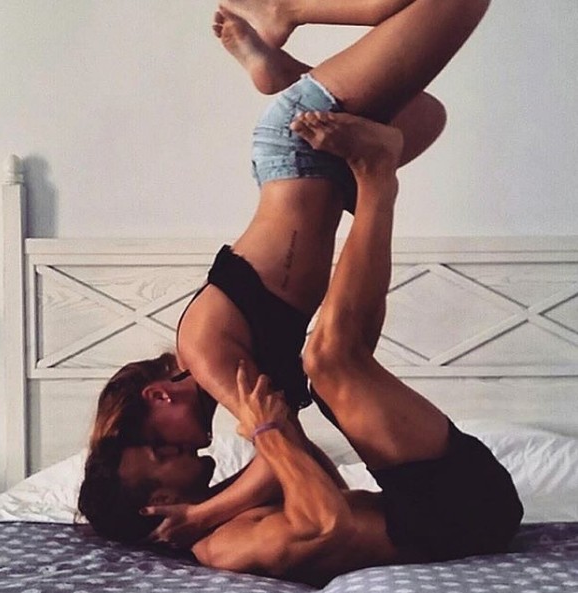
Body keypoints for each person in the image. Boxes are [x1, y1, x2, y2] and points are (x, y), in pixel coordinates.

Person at [79, 0, 491, 545]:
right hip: (332, 173)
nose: (190, 450)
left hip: (295, 148)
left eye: (165, 445)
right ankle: (279, 71)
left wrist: (201, 515)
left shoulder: (204, 352)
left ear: (158, 397)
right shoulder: (238, 382)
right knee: (426, 116)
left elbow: (284, 458)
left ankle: (285, 10)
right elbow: (305, 468)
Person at [136, 114, 523, 587]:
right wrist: (266, 431)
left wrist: (267, 448)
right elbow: (327, 523)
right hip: (459, 513)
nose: (173, 448)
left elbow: (317, 477)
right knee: (329, 360)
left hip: (432, 501)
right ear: (159, 507)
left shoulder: (223, 514)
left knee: (337, 365)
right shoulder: (221, 545)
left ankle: (368, 185)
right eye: (159, 456)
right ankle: (375, 176)